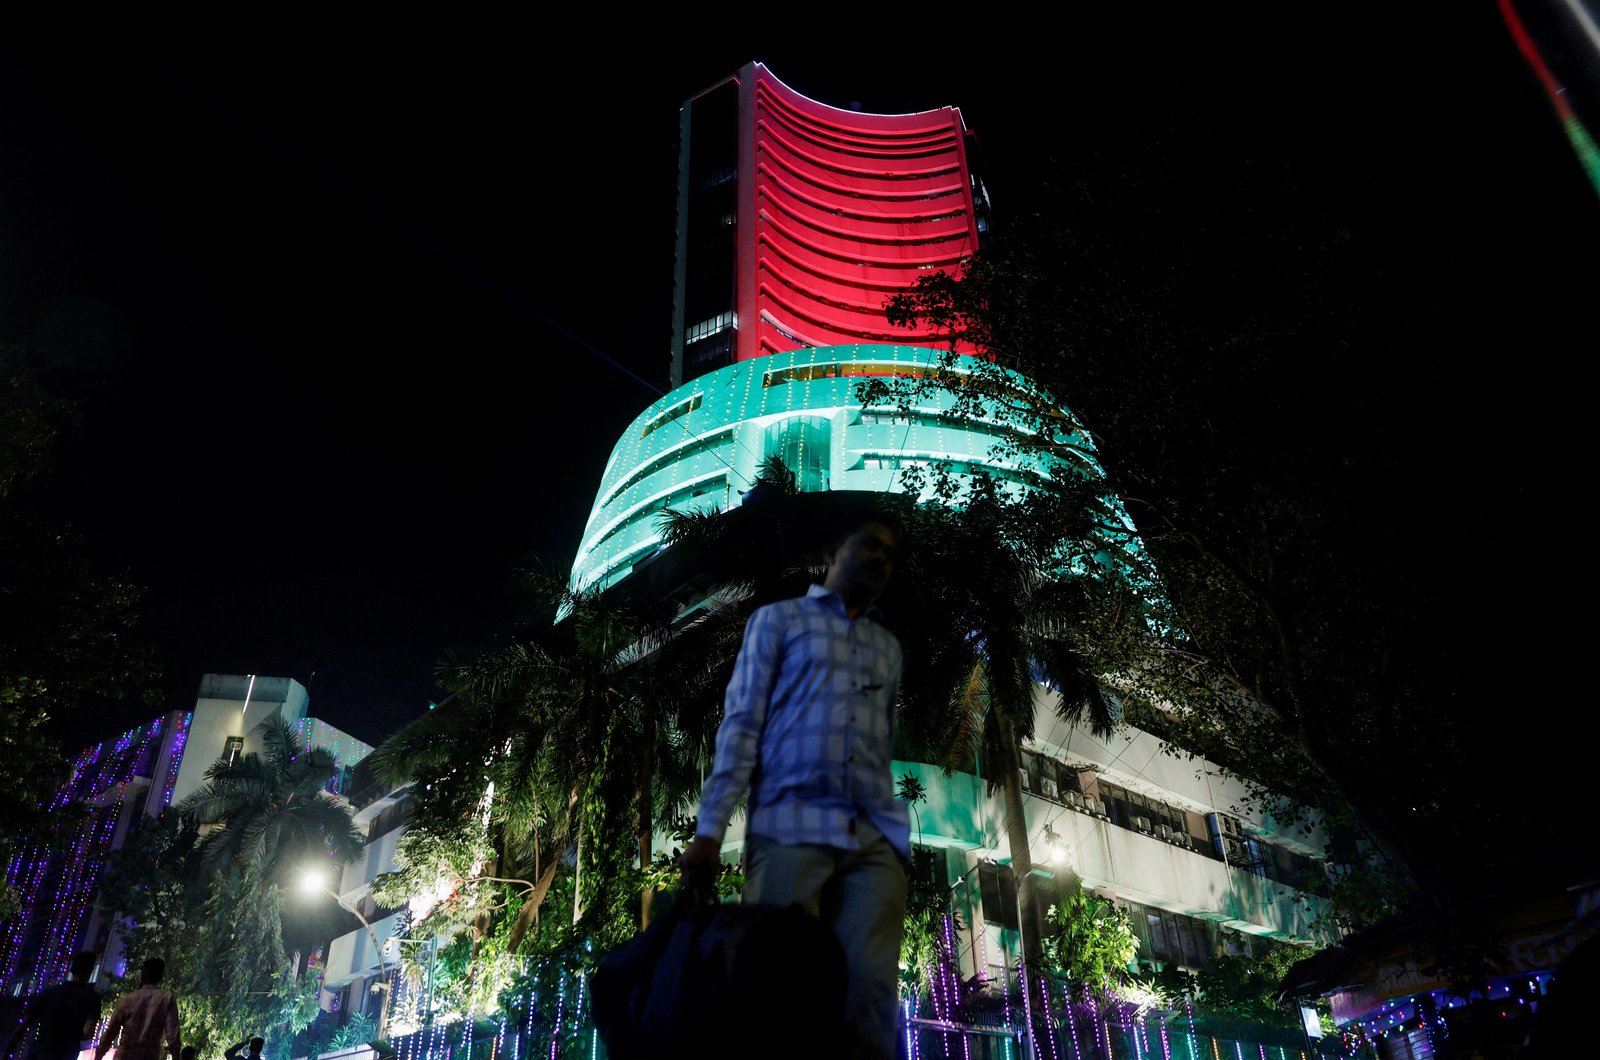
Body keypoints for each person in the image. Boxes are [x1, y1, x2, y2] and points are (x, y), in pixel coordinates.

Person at [681, 510, 908, 1060]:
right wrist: (709, 830)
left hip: (873, 839)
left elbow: (882, 743)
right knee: (776, 995)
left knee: (871, 997)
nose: (880, 560)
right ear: (835, 551)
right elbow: (741, 724)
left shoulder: (888, 649)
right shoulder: (777, 621)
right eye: (869, 545)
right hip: (790, 825)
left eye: (890, 555)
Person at [6, 952, 102, 1060]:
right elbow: (88, 1033)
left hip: (39, 1052)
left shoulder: (49, 993)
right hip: (65, 1053)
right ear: (90, 971)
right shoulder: (92, 998)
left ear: (72, 969)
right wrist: (71, 1034)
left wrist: (6, 1053)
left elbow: (22, 1027)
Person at [93, 959, 179, 1060]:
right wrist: (176, 1056)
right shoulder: (167, 999)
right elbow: (173, 1037)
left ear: (142, 976)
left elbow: (110, 1032)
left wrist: (98, 1055)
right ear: (160, 977)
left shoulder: (127, 999)